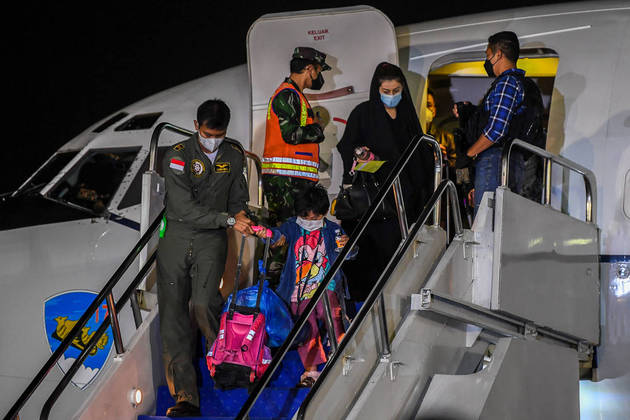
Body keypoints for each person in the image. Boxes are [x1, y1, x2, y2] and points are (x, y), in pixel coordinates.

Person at [156, 99, 253, 417]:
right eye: (208, 133)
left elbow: (238, 198)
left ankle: (224, 369)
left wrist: (243, 217)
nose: (214, 139)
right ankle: (185, 396)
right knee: (173, 316)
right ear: (197, 126)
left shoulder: (234, 155)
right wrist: (228, 220)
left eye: (219, 133)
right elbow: (183, 208)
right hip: (177, 237)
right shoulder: (178, 157)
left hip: (211, 242)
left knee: (203, 304)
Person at [336, 62, 433, 301]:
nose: (391, 97)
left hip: (405, 201)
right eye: (386, 92)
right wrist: (363, 156)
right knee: (371, 261)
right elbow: (347, 146)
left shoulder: (408, 115)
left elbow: (419, 155)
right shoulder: (363, 113)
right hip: (374, 203)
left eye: (395, 91)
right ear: (376, 90)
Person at [255, 184, 354, 387]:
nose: (309, 222)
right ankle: (311, 371)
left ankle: (343, 353)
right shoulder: (293, 226)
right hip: (298, 291)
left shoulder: (333, 229)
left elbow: (350, 254)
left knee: (333, 316)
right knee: (306, 330)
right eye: (305, 217)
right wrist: (268, 235)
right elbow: (278, 235)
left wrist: (348, 245)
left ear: (324, 213)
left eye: (314, 218)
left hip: (326, 285)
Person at [453, 31, 528, 215]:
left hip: (494, 160)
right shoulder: (513, 83)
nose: (487, 62)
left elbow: (496, 130)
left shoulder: (507, 83)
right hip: (504, 161)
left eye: (488, 56)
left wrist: (468, 155)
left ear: (499, 55)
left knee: (487, 225)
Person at [262, 46, 330, 226]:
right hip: (286, 181)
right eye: (319, 70)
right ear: (310, 69)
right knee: (285, 236)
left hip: (292, 180)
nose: (319, 76)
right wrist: (317, 129)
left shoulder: (295, 95)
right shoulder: (287, 94)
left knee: (294, 237)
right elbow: (291, 135)